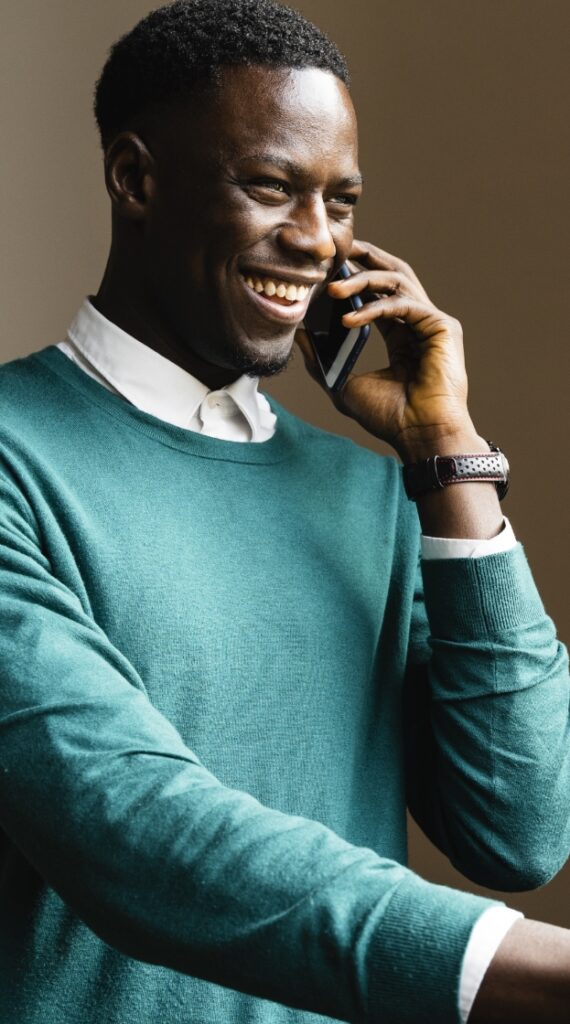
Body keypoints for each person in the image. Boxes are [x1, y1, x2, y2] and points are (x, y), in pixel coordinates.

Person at [0, 1, 568, 1022]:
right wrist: (522, 971)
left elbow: (522, 828)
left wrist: (450, 459)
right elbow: (132, 828)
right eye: (269, 187)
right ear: (136, 178)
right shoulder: (15, 457)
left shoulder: (374, 498)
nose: (314, 241)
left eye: (340, 202)